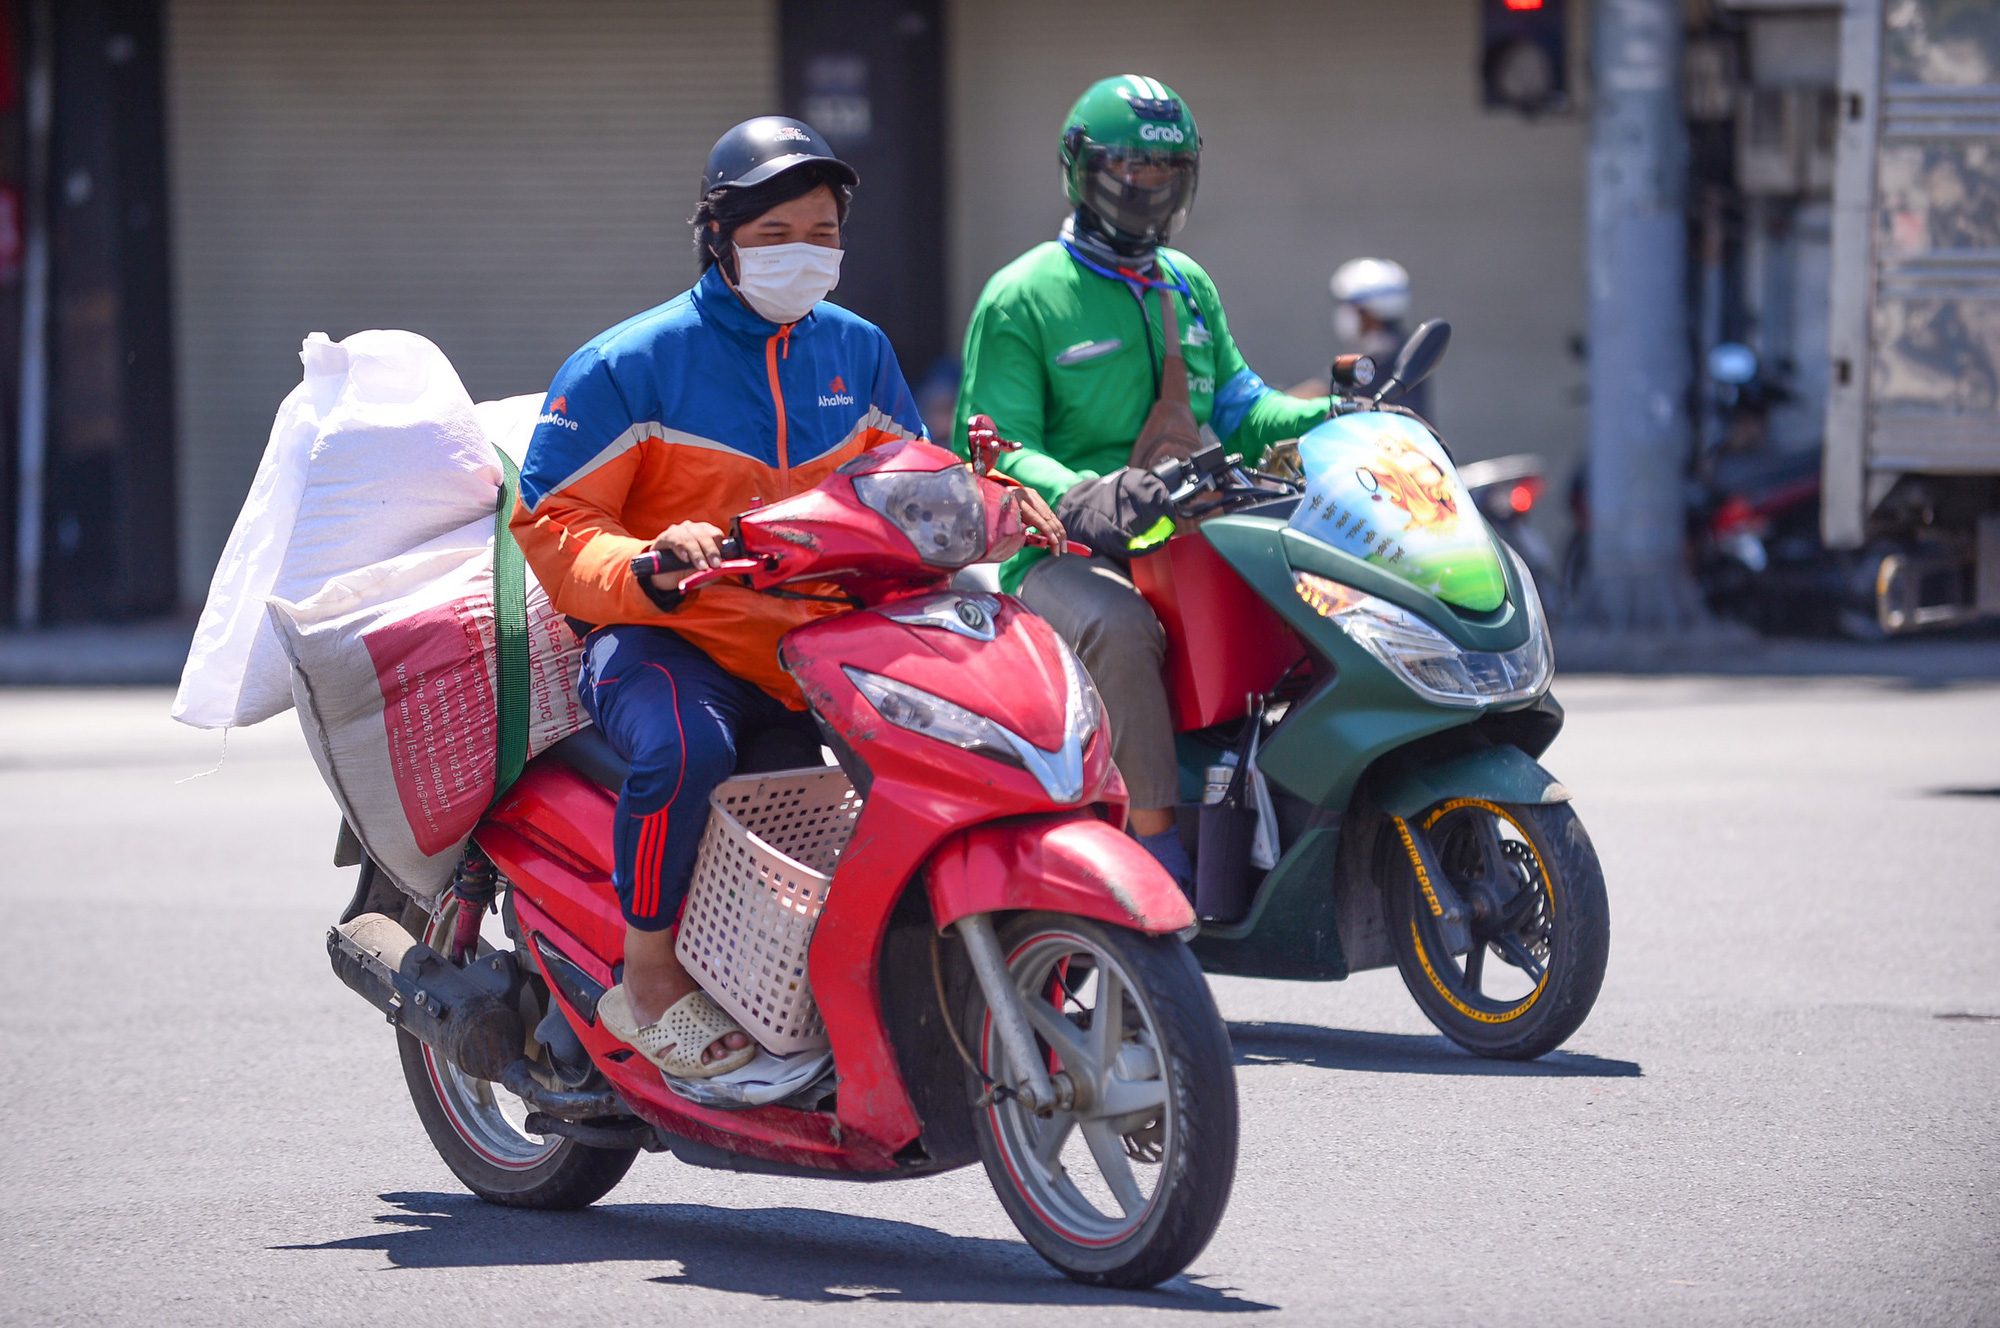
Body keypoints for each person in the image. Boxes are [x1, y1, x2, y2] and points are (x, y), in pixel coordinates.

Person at [512, 117, 1061, 1081]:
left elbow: (912, 481)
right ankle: (647, 977)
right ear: (718, 237)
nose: (802, 253)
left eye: (821, 233)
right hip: (669, 638)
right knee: (690, 749)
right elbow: (555, 524)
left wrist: (996, 503)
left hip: (817, 643)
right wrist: (649, 560)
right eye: (774, 235)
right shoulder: (626, 365)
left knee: (921, 760)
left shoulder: (858, 351)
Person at [952, 74, 1333, 883]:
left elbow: (1242, 406)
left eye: (1165, 170)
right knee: (1123, 627)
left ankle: (1291, 809)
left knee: (1316, 602)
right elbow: (997, 449)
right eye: (1128, 167)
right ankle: (1155, 849)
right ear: (1081, 170)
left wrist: (1336, 413)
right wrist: (1086, 494)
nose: (1146, 186)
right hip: (1059, 552)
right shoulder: (1023, 296)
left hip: (1182, 529)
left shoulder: (1186, 285)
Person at [1330, 258, 1425, 416]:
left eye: (1351, 306)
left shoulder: (1383, 355)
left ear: (1369, 311)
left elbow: (1322, 390)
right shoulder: (1401, 346)